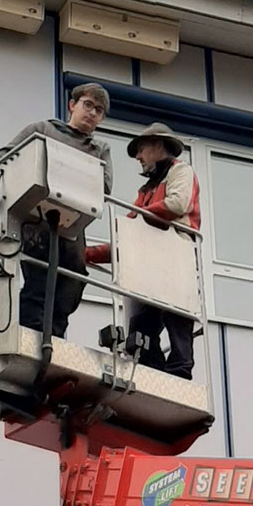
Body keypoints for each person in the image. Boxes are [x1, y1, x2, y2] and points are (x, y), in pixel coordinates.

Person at [85, 122, 200, 379]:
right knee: (141, 326)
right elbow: (126, 236)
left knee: (177, 318)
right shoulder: (145, 191)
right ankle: (153, 374)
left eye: (141, 149)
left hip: (175, 256)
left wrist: (139, 215)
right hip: (150, 263)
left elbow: (178, 203)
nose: (138, 157)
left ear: (159, 145)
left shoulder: (181, 172)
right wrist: (87, 254)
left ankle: (179, 374)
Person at [0, 83, 112, 339]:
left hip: (72, 228)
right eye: (88, 105)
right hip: (38, 222)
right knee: (38, 279)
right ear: (72, 105)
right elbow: (3, 158)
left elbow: (104, 187)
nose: (92, 113)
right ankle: (30, 335)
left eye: (99, 110)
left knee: (72, 280)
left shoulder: (99, 149)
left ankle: (55, 338)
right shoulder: (42, 130)